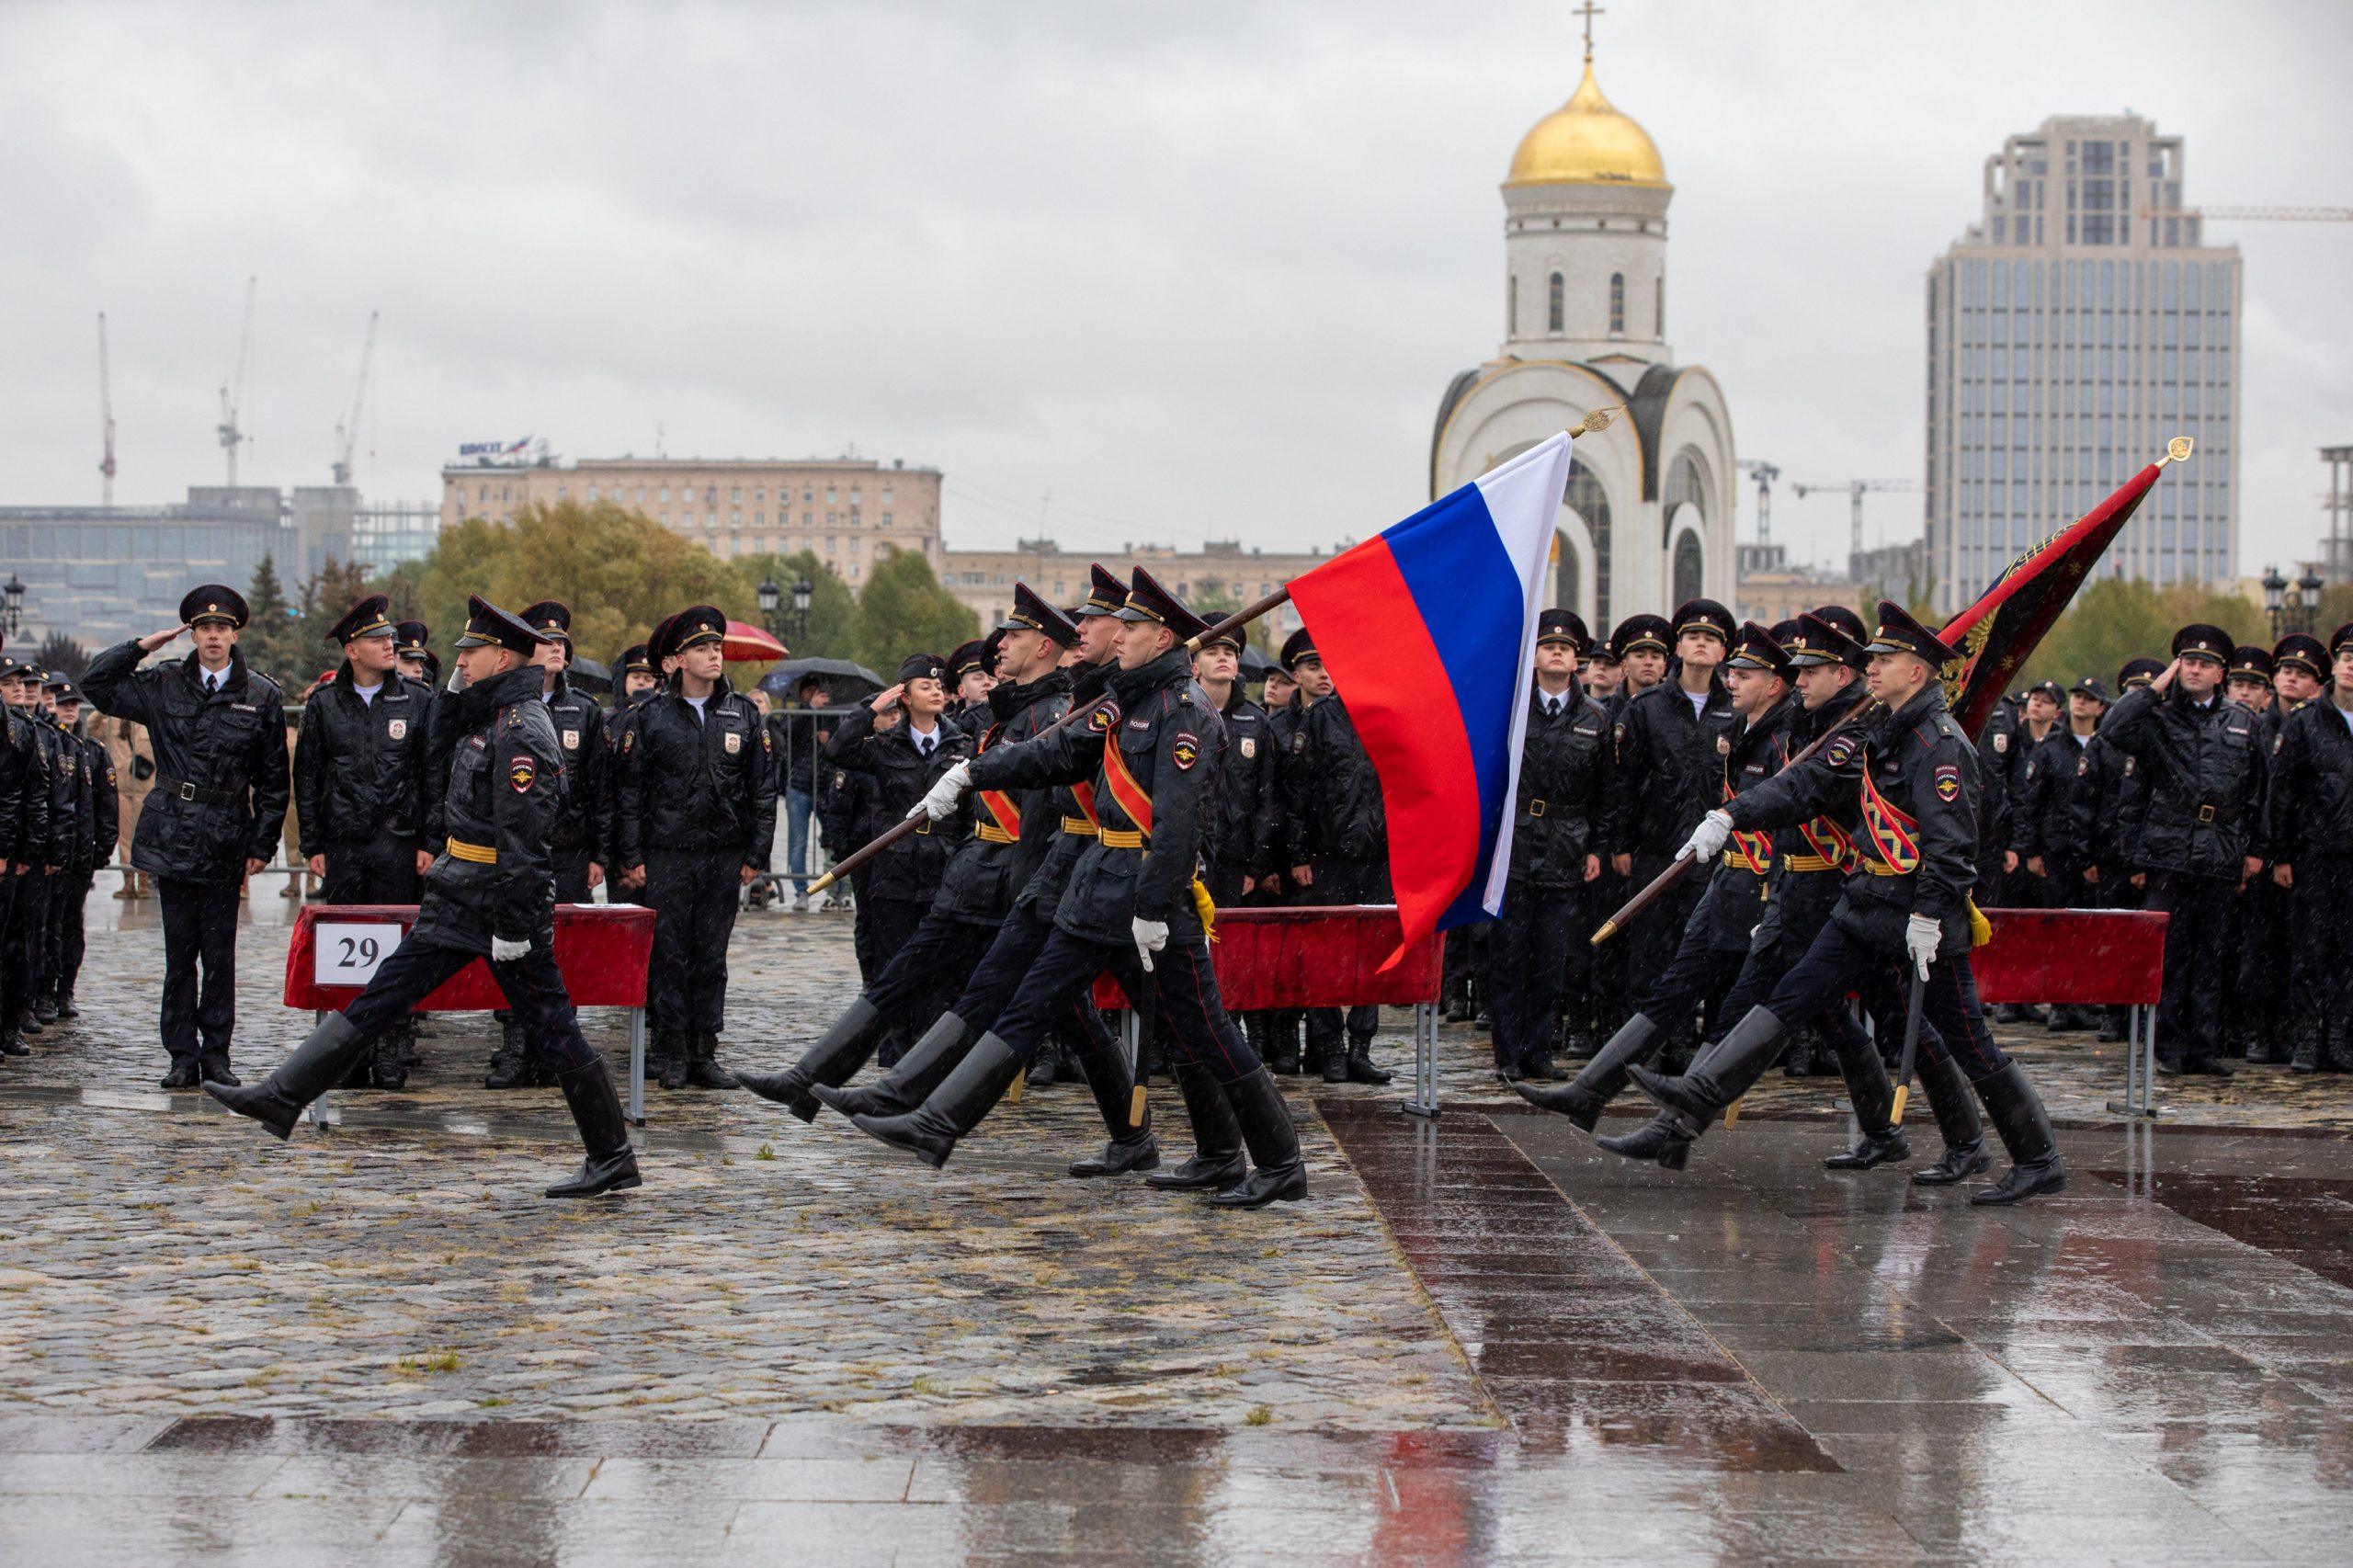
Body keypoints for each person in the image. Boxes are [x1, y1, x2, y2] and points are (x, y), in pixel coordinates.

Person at [852, 568, 1306, 1209]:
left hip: (1151, 896)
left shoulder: (1183, 712)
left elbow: (1178, 825)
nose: (1119, 638)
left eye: (1133, 628)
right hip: (1096, 887)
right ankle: (936, 1125)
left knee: (1204, 1031)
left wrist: (1154, 907)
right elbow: (1054, 754)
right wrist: (972, 774)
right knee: (1030, 1003)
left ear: (1164, 638)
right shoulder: (1128, 701)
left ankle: (1280, 1161)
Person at [1607, 602, 2067, 1206]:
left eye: (1884, 660)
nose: (1870, 669)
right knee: (1794, 992)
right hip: (1866, 903)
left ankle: (2038, 1158)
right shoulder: (1887, 726)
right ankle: (1699, 1094)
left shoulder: (1940, 744)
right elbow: (1806, 785)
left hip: (1918, 917)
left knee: (1967, 1040)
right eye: (1870, 659)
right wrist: (1731, 814)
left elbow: (1953, 848)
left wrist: (1929, 917)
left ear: (1919, 672)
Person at [208, 597, 640, 1198]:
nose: (460, 663)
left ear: (502, 657)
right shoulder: (488, 717)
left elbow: (524, 842)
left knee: (552, 1025)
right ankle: (283, 1096)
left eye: (472, 654)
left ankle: (613, 1155)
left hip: (498, 904)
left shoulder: (522, 732)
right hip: (460, 894)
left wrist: (515, 926)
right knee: (385, 993)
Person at [1517, 619, 1794, 1125]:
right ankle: (1597, 1091)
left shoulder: (1783, 738)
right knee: (1670, 978)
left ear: (1773, 685)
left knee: (1763, 999)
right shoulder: (1736, 727)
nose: (1731, 682)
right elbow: (1625, 782)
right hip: (1692, 863)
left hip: (1755, 880)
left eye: (1743, 675)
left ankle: (1678, 1114)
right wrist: (1624, 842)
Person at [82, 586, 290, 1088]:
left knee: (219, 955)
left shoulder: (260, 695)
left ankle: (217, 1053)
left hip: (224, 835)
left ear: (234, 634)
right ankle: (180, 1054)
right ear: (192, 635)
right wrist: (142, 646)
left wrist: (262, 845)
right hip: (173, 830)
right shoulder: (164, 684)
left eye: (221, 629)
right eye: (204, 629)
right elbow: (97, 683)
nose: (213, 636)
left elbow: (273, 780)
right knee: (180, 956)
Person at [612, 606, 778, 1090]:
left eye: (717, 648)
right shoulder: (649, 716)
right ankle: (670, 1052)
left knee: (711, 955)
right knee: (669, 954)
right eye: (702, 649)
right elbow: (630, 793)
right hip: (667, 853)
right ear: (676, 660)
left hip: (722, 853)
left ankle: (705, 1050)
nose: (713, 655)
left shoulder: (742, 714)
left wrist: (756, 855)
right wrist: (632, 856)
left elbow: (762, 789)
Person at [2097, 624, 2268, 1078]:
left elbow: (2259, 791)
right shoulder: (2157, 717)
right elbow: (2111, 731)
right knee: (2170, 956)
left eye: (2205, 664)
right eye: (2188, 661)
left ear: (2221, 674)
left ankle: (2202, 1047)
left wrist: (2256, 850)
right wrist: (2155, 687)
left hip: (2221, 852)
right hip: (2168, 851)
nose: (2195, 669)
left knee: (2212, 956)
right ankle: (2167, 1046)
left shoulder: (2243, 720)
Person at [290, 595, 436, 1088]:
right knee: (343, 954)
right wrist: (313, 843)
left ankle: (392, 1050)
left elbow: (431, 775)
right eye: (377, 640)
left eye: (390, 637)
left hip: (399, 844)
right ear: (352, 649)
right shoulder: (325, 703)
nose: (389, 645)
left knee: (396, 954)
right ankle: (349, 1053)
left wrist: (430, 841)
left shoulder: (417, 700)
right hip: (346, 845)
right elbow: (307, 777)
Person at [1601, 598, 1739, 1067]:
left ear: (1723, 653)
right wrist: (1622, 844)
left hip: (1715, 855)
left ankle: (1687, 1043)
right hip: (1656, 848)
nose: (1702, 643)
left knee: (1701, 950)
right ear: (1677, 647)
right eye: (1693, 637)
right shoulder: (1647, 708)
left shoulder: (1734, 711)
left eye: (1713, 638)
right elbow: (1624, 782)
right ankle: (1647, 1044)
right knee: (1650, 951)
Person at [1487, 610, 1610, 1083]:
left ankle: (1539, 1051)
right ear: (1534, 658)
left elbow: (1605, 795)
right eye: (1547, 646)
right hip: (1515, 846)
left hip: (1567, 847)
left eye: (1565, 647)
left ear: (1577, 659)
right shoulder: (1512, 710)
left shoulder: (1596, 718)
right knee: (1508, 957)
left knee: (1551, 960)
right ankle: (1507, 1056)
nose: (1556, 652)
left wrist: (1597, 847)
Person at [1279, 627, 1394, 1085]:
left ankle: (1361, 1047)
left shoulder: (1391, 717)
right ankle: (1328, 1049)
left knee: (1373, 955)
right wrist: (1299, 853)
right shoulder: (1322, 717)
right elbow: (1297, 792)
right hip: (1328, 856)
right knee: (1326, 955)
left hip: (1379, 856)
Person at [2264, 621, 2353, 1074]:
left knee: (2348, 952)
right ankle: (2306, 1039)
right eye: (2348, 657)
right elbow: (2282, 794)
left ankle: (2339, 1039)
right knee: (2309, 949)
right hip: (2314, 854)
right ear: (2334, 667)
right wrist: (2281, 854)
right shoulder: (2305, 722)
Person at [2010, 676, 2109, 1030]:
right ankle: (2061, 1004)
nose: (2081, 703)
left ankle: (2082, 999)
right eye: (2077, 696)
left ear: (2100, 707)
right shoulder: (2051, 747)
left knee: (2087, 927)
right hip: (2057, 849)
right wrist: (2031, 850)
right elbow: (2031, 802)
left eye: (2088, 698)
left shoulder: (2104, 745)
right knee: (2060, 926)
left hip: (2093, 852)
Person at [49, 680, 113, 1023]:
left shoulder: (91, 751)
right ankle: (44, 991)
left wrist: (101, 850)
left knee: (72, 926)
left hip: (78, 855)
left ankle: (65, 990)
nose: (69, 709)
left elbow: (106, 806)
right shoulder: (49, 744)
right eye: (62, 703)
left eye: (73, 703)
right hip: (51, 854)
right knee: (48, 926)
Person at [0, 654, 50, 1061]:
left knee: (15, 944)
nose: (18, 689)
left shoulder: (24, 730)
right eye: (8, 682)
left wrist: (22, 852)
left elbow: (29, 794)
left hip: (13, 854)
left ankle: (9, 1025)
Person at [779, 674, 833, 910]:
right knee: (798, 842)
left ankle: (836, 891)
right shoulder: (795, 714)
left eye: (818, 691)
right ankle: (801, 890)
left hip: (825, 785)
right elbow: (787, 736)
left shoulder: (832, 716)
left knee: (832, 840)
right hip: (799, 785)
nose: (815, 694)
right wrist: (810, 710)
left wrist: (828, 740)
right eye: (810, 690)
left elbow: (841, 746)